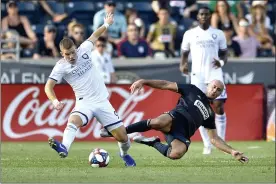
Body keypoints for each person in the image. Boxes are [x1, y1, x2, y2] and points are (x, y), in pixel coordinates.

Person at [44, 13, 136, 167]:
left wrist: (107, 24)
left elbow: (95, 35)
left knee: (123, 138)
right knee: (73, 121)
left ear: (75, 48)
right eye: (68, 54)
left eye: (73, 52)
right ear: (62, 54)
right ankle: (64, 148)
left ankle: (124, 154)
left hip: (102, 102)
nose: (72, 56)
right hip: (84, 102)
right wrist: (54, 101)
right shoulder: (60, 66)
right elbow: (48, 86)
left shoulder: (84, 50)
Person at [100, 79, 249, 163]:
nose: (214, 90)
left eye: (218, 90)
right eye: (214, 86)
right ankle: (118, 131)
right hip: (174, 118)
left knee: (176, 154)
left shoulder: (210, 114)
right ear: (208, 85)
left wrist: (232, 151)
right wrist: (144, 81)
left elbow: (214, 139)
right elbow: (165, 85)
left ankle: (153, 142)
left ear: (219, 94)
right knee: (158, 122)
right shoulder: (192, 89)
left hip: (182, 134)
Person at [180, 6, 228, 155]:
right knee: (198, 108)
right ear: (197, 17)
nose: (204, 17)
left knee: (219, 105)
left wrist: (222, 62)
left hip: (214, 73)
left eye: (207, 14)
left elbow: (225, 53)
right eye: (202, 14)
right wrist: (182, 64)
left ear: (211, 16)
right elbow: (184, 51)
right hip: (197, 74)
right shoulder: (190, 34)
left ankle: (221, 140)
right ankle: (208, 144)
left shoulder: (218, 33)